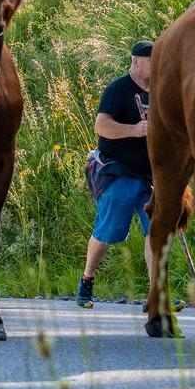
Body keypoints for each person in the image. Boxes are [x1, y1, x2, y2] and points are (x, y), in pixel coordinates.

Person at [78, 40, 154, 308]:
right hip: (119, 172)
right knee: (108, 232)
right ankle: (87, 281)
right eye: (151, 61)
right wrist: (135, 130)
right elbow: (102, 126)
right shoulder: (118, 89)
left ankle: (156, 293)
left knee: (157, 230)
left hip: (151, 176)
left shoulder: (160, 91)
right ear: (136, 62)